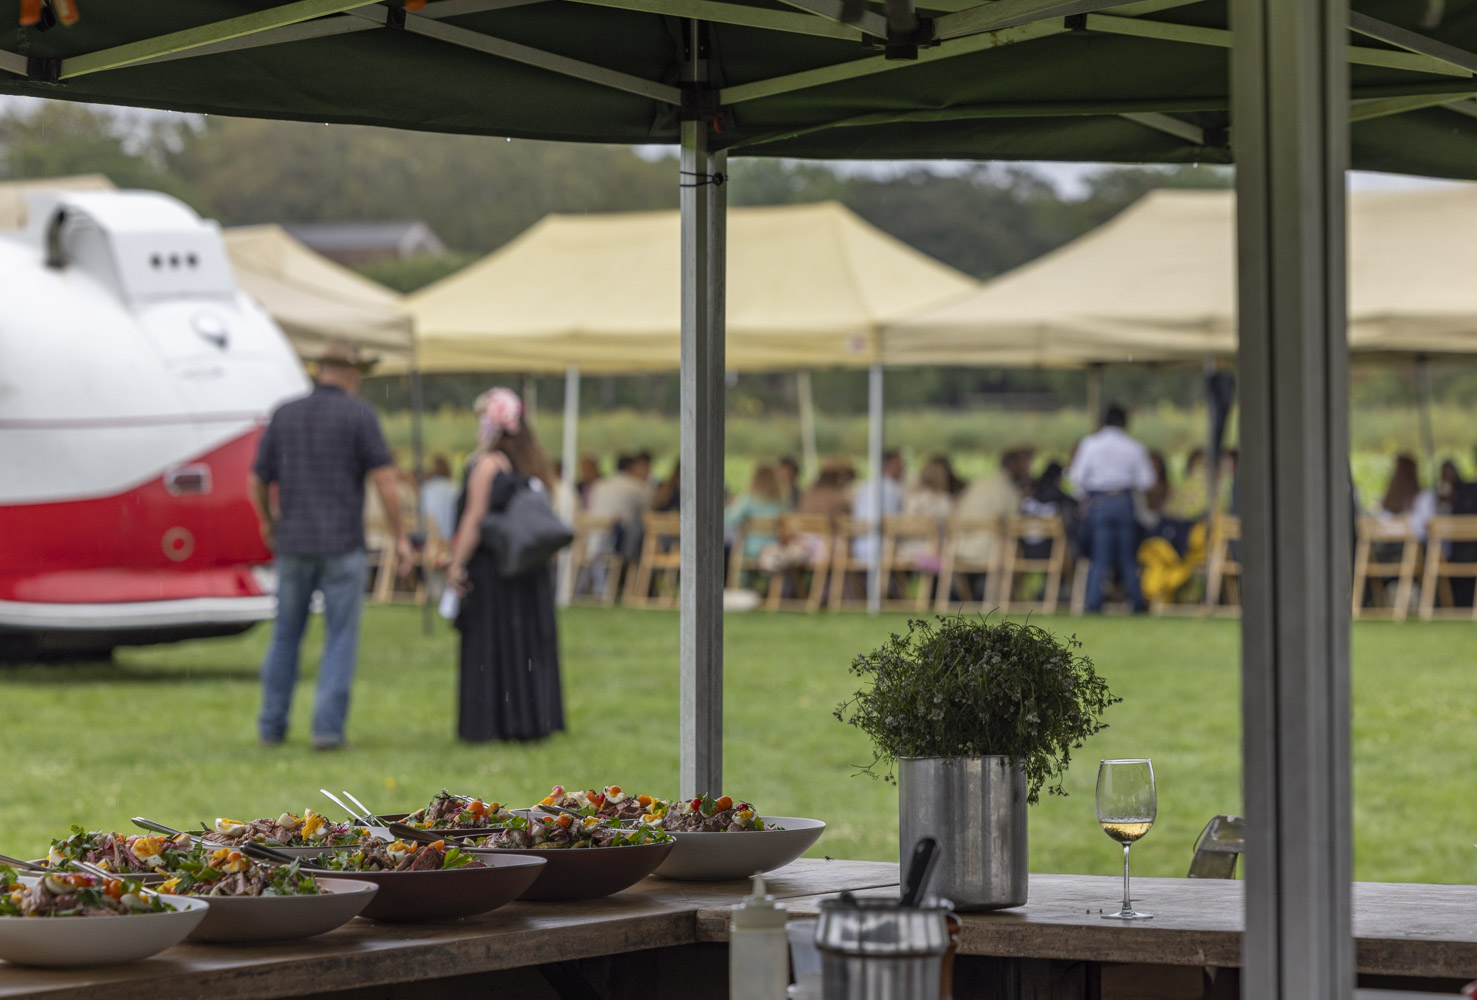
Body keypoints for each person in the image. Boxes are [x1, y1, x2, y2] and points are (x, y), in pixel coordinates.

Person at [249, 338, 411, 751]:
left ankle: (272, 726)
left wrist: (268, 521)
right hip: (342, 543)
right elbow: (385, 481)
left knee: (286, 635)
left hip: (294, 541)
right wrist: (401, 536)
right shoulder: (359, 414)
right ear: (353, 374)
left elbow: (257, 479)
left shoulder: (285, 413)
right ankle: (327, 731)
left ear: (319, 370)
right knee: (339, 638)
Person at [446, 387, 564, 743]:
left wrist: (456, 563)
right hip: (526, 570)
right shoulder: (532, 463)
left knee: (490, 645)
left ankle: (490, 721)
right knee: (522, 646)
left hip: (493, 570)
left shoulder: (488, 463)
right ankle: (526, 720)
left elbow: (474, 517)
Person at [1068, 404, 1156, 613]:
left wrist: (1084, 498)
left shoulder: (1090, 444)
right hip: (1124, 501)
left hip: (1099, 502)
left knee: (1099, 556)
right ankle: (1137, 603)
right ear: (1124, 422)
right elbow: (1147, 481)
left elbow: (1076, 478)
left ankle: (1093, 603)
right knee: (1128, 557)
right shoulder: (1134, 446)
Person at [954, 447, 1034, 571]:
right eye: (1026, 465)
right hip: (987, 554)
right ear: (1015, 465)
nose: (1028, 470)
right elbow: (1015, 527)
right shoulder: (1007, 490)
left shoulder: (980, 482)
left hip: (959, 549)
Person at [588, 452, 654, 562]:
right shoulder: (637, 486)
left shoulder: (599, 484)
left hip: (592, 544)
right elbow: (650, 511)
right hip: (617, 546)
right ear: (633, 468)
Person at [725, 464, 792, 568]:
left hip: (750, 550)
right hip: (773, 550)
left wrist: (731, 507)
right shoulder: (782, 503)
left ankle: (742, 578)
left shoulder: (748, 499)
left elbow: (729, 520)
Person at [899, 455, 959, 571]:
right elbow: (952, 529)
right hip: (933, 555)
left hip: (907, 553)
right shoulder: (944, 501)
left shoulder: (911, 499)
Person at [851, 450, 905, 564]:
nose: (902, 470)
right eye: (899, 465)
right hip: (882, 551)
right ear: (886, 465)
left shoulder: (864, 487)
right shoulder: (893, 489)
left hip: (858, 550)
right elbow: (898, 522)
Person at [1378, 453, 1436, 541]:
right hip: (1414, 544)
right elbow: (1428, 523)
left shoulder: (1387, 498)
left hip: (1388, 544)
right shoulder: (1423, 497)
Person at [419, 453, 458, 543]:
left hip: (433, 537)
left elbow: (424, 514)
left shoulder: (426, 488)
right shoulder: (456, 487)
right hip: (452, 536)